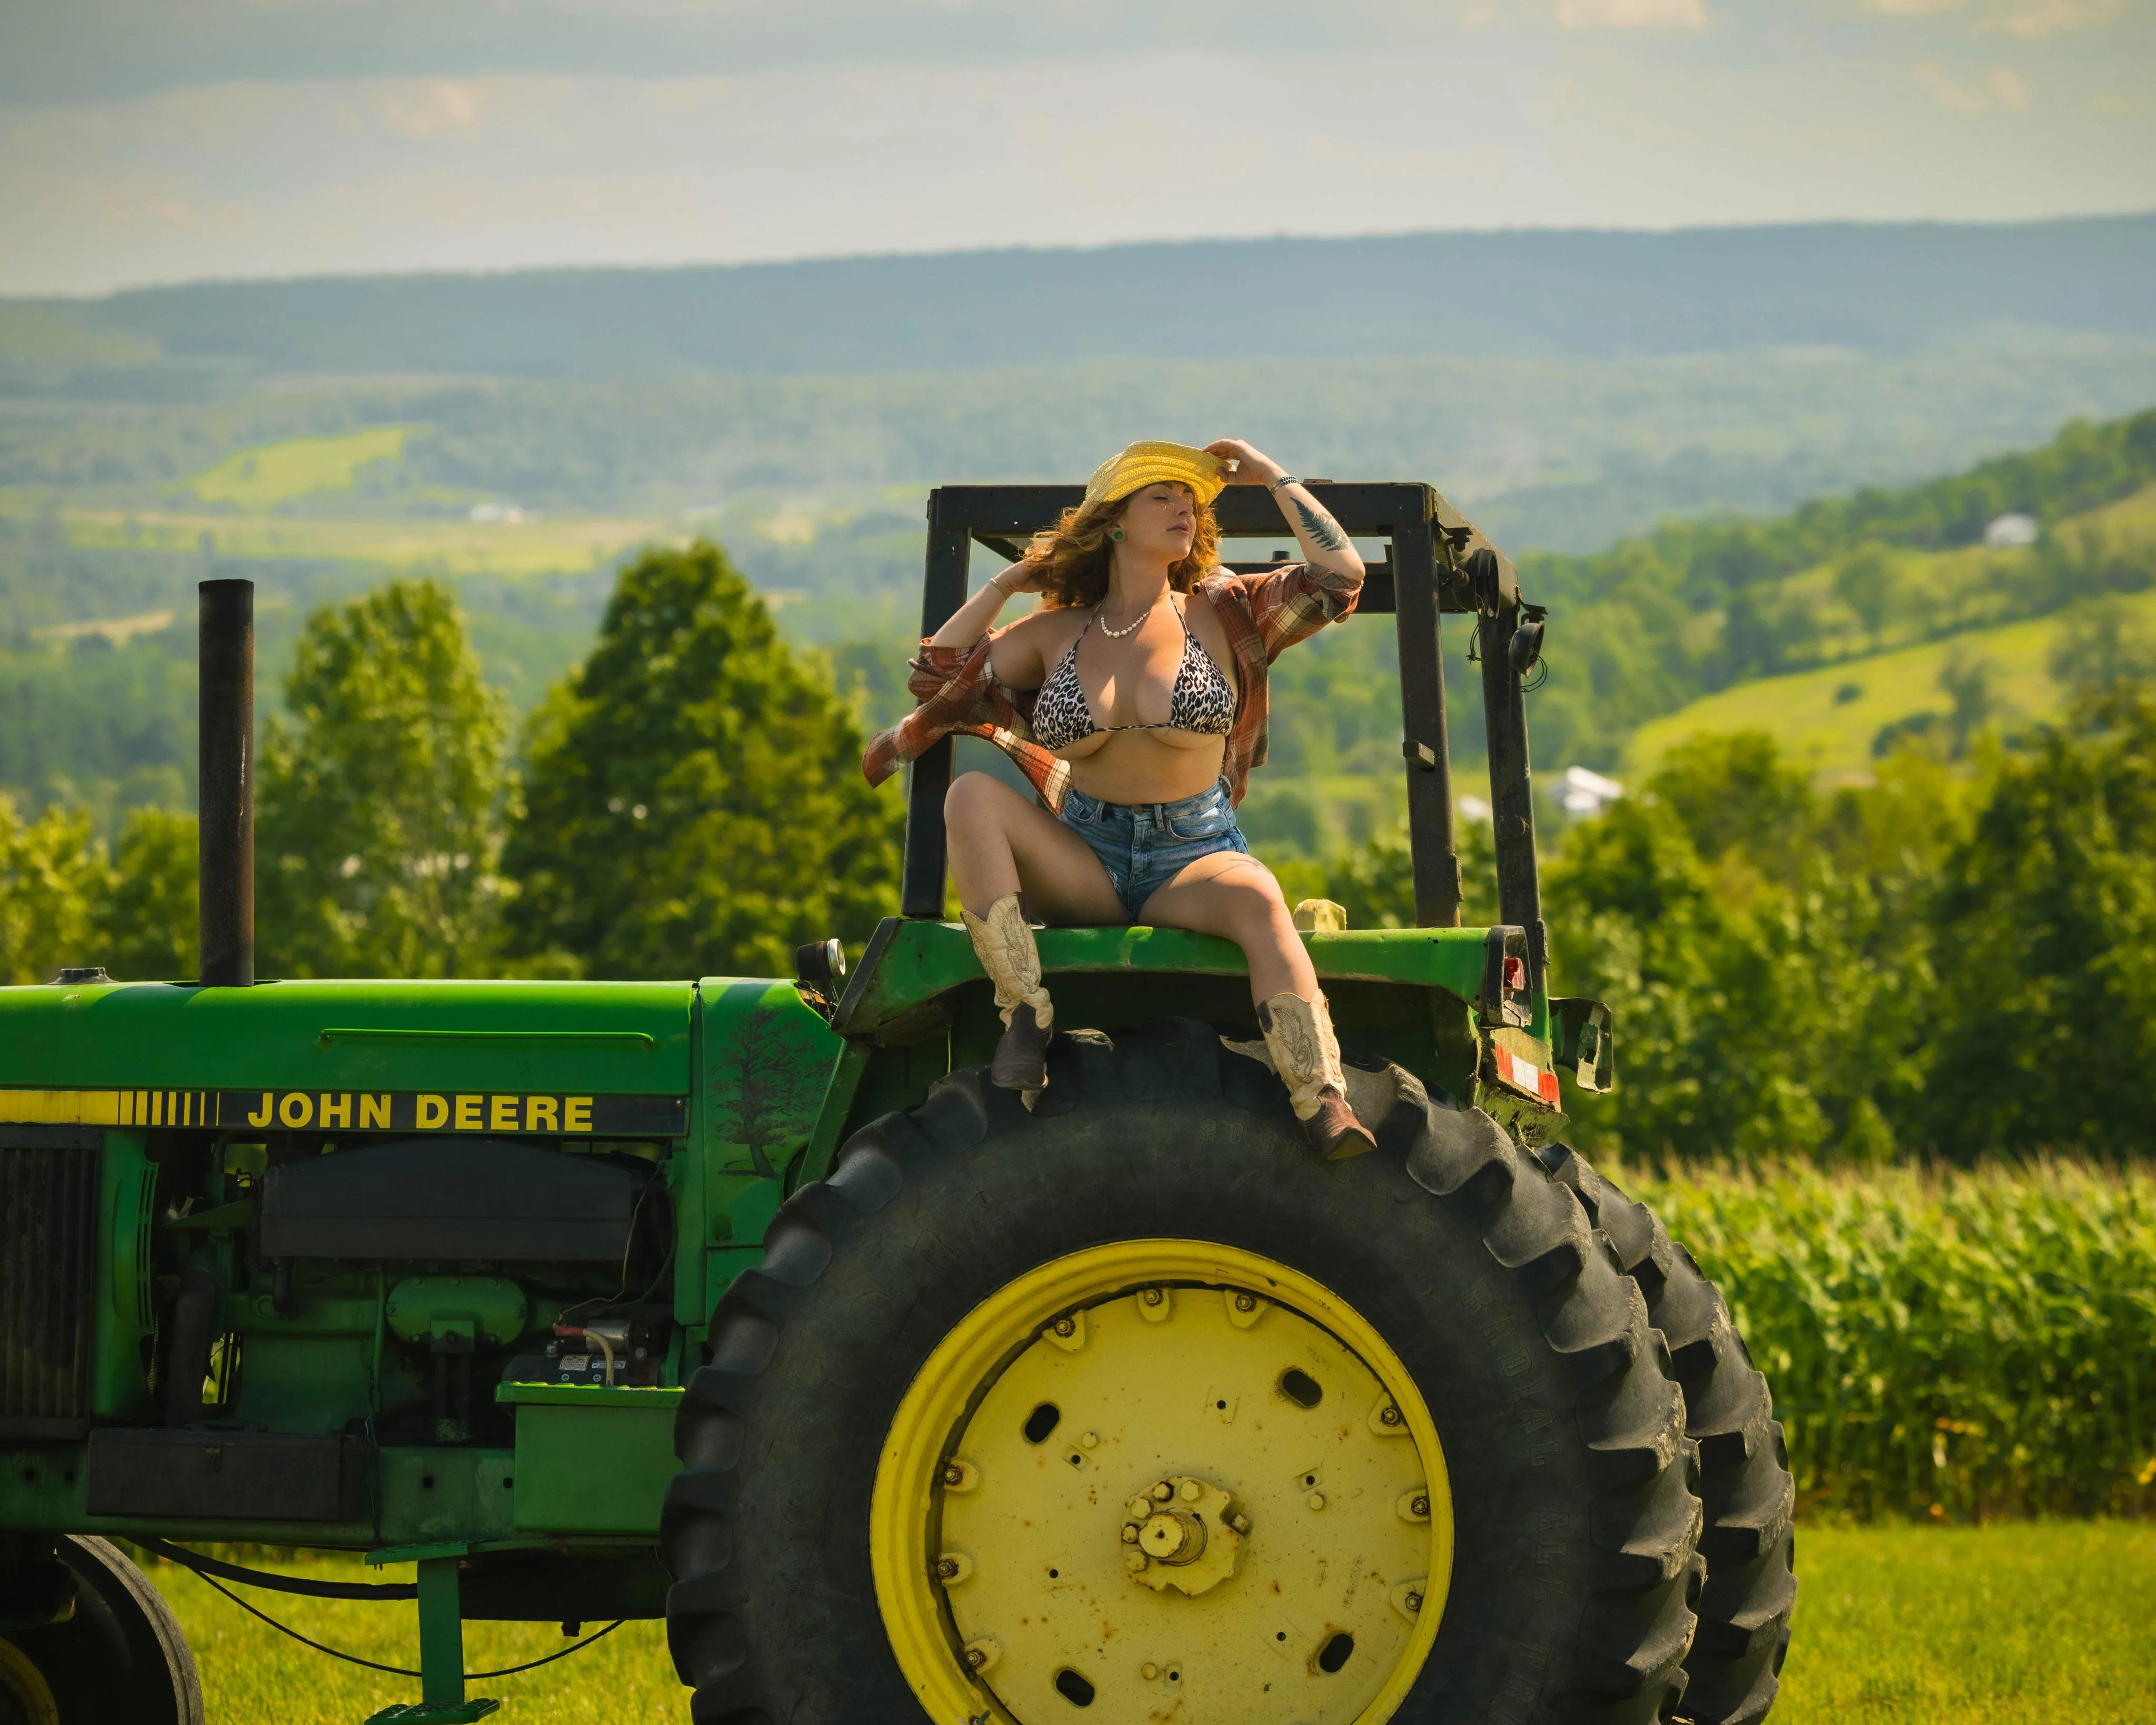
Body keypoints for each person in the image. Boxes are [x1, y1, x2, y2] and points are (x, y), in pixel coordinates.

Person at [862, 439, 1373, 1156]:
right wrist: (1007, 586)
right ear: (1115, 523)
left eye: (1189, 500)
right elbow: (937, 681)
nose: (1183, 510)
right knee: (972, 795)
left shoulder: (1225, 610)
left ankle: (1321, 1097)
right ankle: (1024, 1016)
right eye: (1160, 497)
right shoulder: (1054, 633)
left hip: (1192, 856)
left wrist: (1268, 474)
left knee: (1261, 898)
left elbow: (1340, 577)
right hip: (1087, 855)